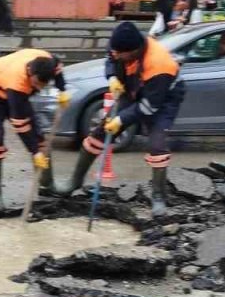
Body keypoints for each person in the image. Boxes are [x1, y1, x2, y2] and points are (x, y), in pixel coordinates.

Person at [62, 21, 187, 217]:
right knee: (99, 133)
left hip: (162, 99)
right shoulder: (121, 44)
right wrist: (112, 76)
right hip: (133, 88)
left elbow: (149, 106)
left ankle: (158, 198)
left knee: (157, 143)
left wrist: (121, 120)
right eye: (115, 50)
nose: (115, 54)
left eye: (120, 53)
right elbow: (110, 56)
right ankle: (74, 182)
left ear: (134, 51)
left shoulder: (159, 65)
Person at [0, 49, 69, 214]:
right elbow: (19, 123)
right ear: (30, 73)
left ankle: (46, 185)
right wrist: (34, 152)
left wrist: (63, 90)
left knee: (39, 136)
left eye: (42, 86)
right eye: (35, 85)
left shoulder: (49, 62)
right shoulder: (17, 83)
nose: (38, 89)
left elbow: (58, 70)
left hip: (13, 86)